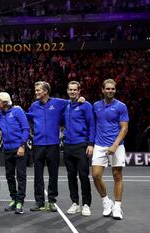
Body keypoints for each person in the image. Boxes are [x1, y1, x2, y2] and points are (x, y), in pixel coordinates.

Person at [28, 81, 79, 212]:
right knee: (38, 175)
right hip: (38, 145)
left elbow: (71, 101)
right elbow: (28, 120)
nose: (36, 92)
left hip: (53, 145)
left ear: (45, 91)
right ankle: (39, 201)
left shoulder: (58, 102)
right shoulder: (33, 106)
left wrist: (81, 99)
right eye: (36, 90)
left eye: (38, 90)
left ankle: (51, 201)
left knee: (53, 174)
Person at [92, 79, 129, 220]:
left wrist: (115, 144)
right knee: (95, 175)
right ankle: (106, 202)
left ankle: (118, 207)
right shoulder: (96, 106)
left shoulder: (121, 106)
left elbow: (124, 127)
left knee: (117, 176)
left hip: (117, 145)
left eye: (112, 89)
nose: (110, 91)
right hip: (99, 145)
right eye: (107, 89)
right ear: (102, 90)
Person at [63, 81, 95, 216]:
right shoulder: (66, 106)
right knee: (71, 176)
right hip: (68, 145)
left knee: (83, 176)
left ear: (79, 91)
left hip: (81, 145)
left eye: (75, 90)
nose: (72, 92)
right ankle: (75, 203)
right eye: (70, 90)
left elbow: (92, 124)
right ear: (67, 91)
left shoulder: (85, 105)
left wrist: (90, 143)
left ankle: (86, 204)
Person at [0, 92, 29, 214]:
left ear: (4, 102)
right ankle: (14, 199)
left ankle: (20, 201)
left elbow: (26, 129)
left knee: (20, 176)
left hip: (19, 148)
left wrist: (22, 145)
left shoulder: (17, 111)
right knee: (9, 176)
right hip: (7, 149)